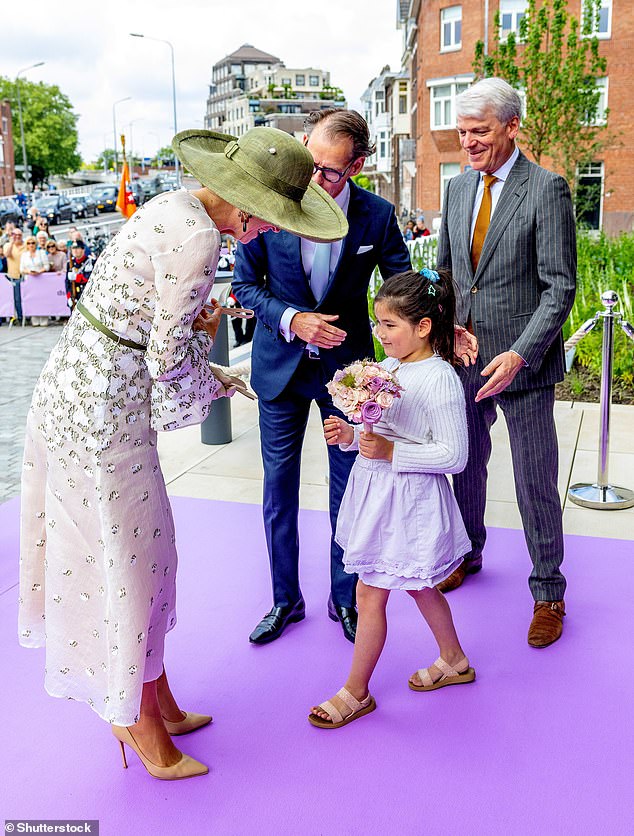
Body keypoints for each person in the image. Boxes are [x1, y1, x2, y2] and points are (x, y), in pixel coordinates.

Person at [19, 126, 348, 781]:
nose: (267, 234)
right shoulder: (200, 238)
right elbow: (169, 361)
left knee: (146, 553)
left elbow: (148, 326)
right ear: (247, 207)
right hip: (103, 412)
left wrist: (204, 355)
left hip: (84, 394)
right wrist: (220, 375)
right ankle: (133, 717)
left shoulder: (174, 206)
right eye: (273, 221)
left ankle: (155, 699)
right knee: (129, 560)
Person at [233, 108, 412, 646]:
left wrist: (415, 342)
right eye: (309, 163)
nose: (314, 179)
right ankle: (284, 600)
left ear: (355, 166)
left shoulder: (377, 216)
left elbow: (400, 287)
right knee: (278, 490)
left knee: (348, 489)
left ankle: (344, 597)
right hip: (279, 371)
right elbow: (245, 287)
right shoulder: (273, 203)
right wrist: (294, 320)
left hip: (349, 377)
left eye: (330, 172)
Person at [436, 77, 576, 648]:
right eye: (463, 132)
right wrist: (448, 328)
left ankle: (548, 590)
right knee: (465, 464)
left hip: (523, 365)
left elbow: (559, 287)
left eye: (480, 132)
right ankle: (469, 552)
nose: (467, 143)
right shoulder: (455, 190)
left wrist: (521, 354)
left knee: (533, 479)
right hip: (465, 358)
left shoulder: (547, 189)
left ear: (511, 127)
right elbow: (444, 274)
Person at [308, 268, 474, 728]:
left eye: (389, 326)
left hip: (410, 501)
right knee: (420, 584)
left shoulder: (439, 378)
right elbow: (377, 430)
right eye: (377, 323)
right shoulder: (391, 369)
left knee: (370, 591)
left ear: (423, 327)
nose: (379, 336)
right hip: (380, 496)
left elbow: (454, 454)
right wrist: (348, 435)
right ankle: (454, 660)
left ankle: (356, 692)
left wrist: (391, 450)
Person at [20, 235, 50, 326]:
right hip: (30, 279)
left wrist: (39, 272)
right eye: (29, 243)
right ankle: (34, 317)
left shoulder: (41, 253)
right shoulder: (24, 255)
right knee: (32, 298)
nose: (31, 245)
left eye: (33, 243)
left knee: (42, 298)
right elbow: (21, 269)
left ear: (36, 244)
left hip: (41, 278)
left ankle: (44, 317)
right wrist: (29, 272)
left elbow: (47, 266)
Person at [3, 227, 26, 321]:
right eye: (15, 235)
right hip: (14, 276)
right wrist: (12, 242)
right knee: (16, 298)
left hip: (25, 275)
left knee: (26, 297)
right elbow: (7, 255)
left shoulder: (26, 245)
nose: (17, 237)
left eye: (19, 235)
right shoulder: (8, 245)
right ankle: (19, 317)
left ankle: (26, 316)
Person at [66, 240, 95, 307]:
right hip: (75, 295)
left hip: (88, 295)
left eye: (77, 248)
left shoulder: (91, 261)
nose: (75, 250)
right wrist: (69, 297)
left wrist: (76, 277)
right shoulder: (70, 263)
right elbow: (67, 282)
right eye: (73, 248)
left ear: (83, 249)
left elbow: (89, 279)